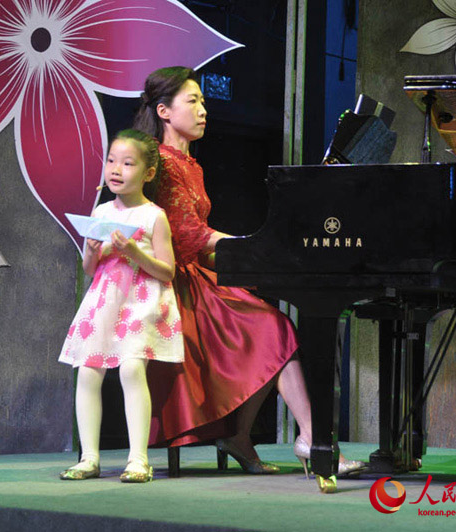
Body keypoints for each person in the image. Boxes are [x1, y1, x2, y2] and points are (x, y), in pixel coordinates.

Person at [134, 66, 363, 477]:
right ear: (164, 111)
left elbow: (198, 240)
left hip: (197, 278)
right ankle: (305, 437)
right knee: (274, 329)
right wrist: (254, 247)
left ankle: (249, 435)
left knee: (275, 329)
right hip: (173, 286)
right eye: (193, 101)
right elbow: (187, 233)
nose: (203, 110)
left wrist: (250, 261)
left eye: (203, 101)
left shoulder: (191, 165)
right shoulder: (160, 162)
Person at [58, 129, 183, 483]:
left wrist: (134, 253)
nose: (116, 169)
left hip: (140, 302)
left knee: (130, 369)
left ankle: (138, 459)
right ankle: (89, 458)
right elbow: (90, 268)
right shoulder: (101, 211)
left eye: (128, 163)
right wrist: (92, 251)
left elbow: (168, 270)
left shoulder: (153, 216)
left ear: (148, 173)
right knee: (88, 370)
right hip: (105, 301)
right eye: (112, 161)